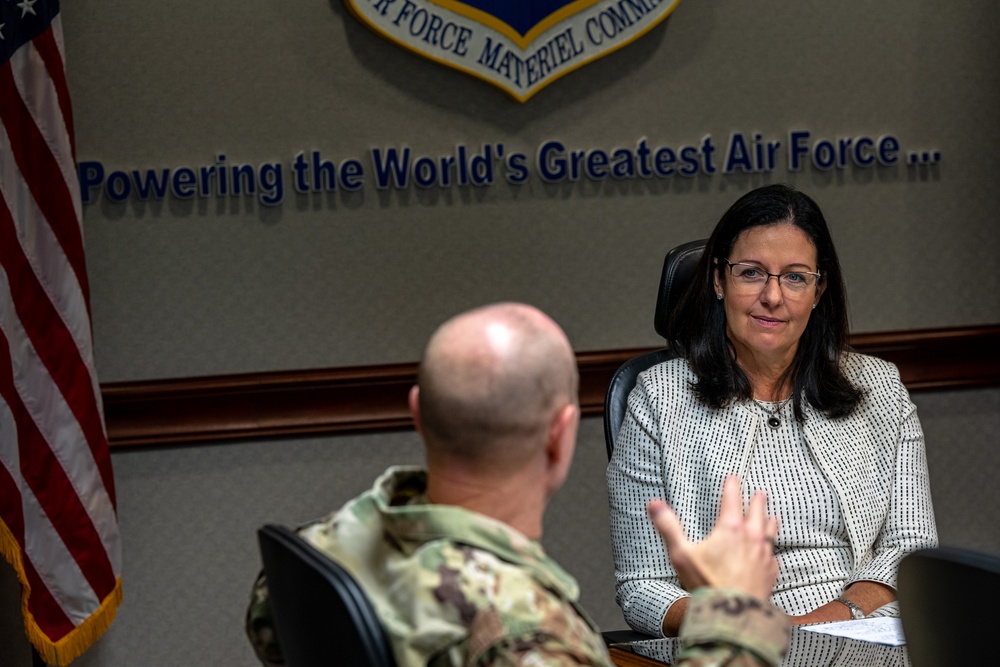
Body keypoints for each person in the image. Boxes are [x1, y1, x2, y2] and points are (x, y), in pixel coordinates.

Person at [246, 302, 790, 666]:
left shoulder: (315, 550)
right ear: (561, 436)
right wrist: (734, 613)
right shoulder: (530, 634)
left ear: (418, 413)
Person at [607, 184, 939, 638]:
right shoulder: (658, 399)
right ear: (718, 281)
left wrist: (821, 623)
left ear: (819, 289)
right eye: (751, 273)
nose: (773, 296)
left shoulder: (879, 387)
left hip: (867, 635)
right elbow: (642, 588)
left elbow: (911, 547)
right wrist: (752, 630)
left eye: (796, 277)